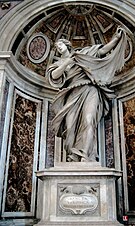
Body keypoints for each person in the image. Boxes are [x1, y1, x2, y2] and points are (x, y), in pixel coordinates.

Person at [46, 26, 127, 162]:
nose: (58, 47)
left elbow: (102, 51)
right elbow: (54, 76)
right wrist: (66, 62)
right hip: (71, 94)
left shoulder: (83, 54)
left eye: (60, 44)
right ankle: (73, 157)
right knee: (70, 127)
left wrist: (116, 39)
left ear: (67, 44)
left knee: (89, 121)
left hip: (90, 90)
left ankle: (85, 156)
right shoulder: (58, 63)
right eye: (56, 46)